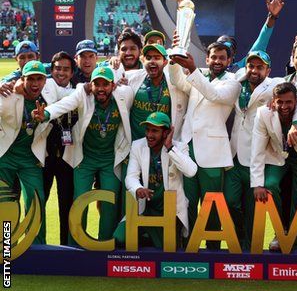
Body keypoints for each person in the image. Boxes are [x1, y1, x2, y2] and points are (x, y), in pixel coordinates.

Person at [33, 66, 134, 245]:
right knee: (80, 201)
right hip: (85, 158)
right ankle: (76, 246)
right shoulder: (83, 95)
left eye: (105, 84)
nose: (101, 88)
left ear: (113, 85)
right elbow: (64, 105)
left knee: (110, 201)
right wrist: (46, 114)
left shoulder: (124, 94)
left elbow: (138, 77)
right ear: (91, 85)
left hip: (110, 159)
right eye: (97, 84)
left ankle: (105, 244)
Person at [168, 42, 241, 250]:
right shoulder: (198, 75)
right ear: (207, 59)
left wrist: (191, 69)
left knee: (212, 204)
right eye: (213, 57)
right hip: (188, 147)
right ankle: (188, 244)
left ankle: (212, 247)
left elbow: (214, 95)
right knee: (188, 202)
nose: (217, 61)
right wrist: (174, 59)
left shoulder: (233, 82)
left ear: (229, 61)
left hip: (212, 152)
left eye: (222, 58)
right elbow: (177, 81)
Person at [250, 82, 297, 251]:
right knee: (269, 185)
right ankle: (281, 229)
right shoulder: (263, 113)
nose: (284, 106)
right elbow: (257, 149)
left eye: (288, 102)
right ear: (273, 101)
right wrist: (257, 184)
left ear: (296, 101)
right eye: (280, 102)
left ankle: (293, 245)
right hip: (278, 157)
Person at [113, 112, 197, 248]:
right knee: (120, 239)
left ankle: (153, 238)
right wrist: (138, 188)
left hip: (169, 211)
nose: (149, 135)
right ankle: (148, 237)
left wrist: (170, 147)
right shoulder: (137, 146)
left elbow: (191, 171)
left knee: (167, 249)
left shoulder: (179, 147)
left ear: (166, 132)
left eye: (155, 131)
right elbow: (131, 176)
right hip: (145, 209)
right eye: (147, 130)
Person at [226, 50, 282, 250]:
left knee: (252, 209)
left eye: (260, 67)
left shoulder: (273, 86)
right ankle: (238, 238)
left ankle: (249, 247)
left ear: (268, 70)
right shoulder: (237, 83)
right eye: (251, 66)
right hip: (233, 154)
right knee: (230, 202)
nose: (254, 70)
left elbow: (288, 89)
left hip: (255, 156)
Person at [0, 61, 59, 244]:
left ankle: (37, 247)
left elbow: (75, 92)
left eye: (39, 79)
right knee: (6, 204)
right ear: (22, 79)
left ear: (45, 80)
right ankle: (6, 246)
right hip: (6, 157)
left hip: (30, 158)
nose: (35, 84)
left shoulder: (50, 95)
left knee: (36, 200)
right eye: (30, 79)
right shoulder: (8, 95)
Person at [42, 52, 78, 245]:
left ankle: (67, 248)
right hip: (44, 157)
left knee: (67, 205)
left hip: (68, 157)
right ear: (52, 69)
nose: (61, 72)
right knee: (40, 203)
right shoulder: (43, 86)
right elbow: (18, 76)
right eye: (57, 68)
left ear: (72, 73)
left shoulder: (80, 91)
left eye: (65, 69)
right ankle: (37, 247)